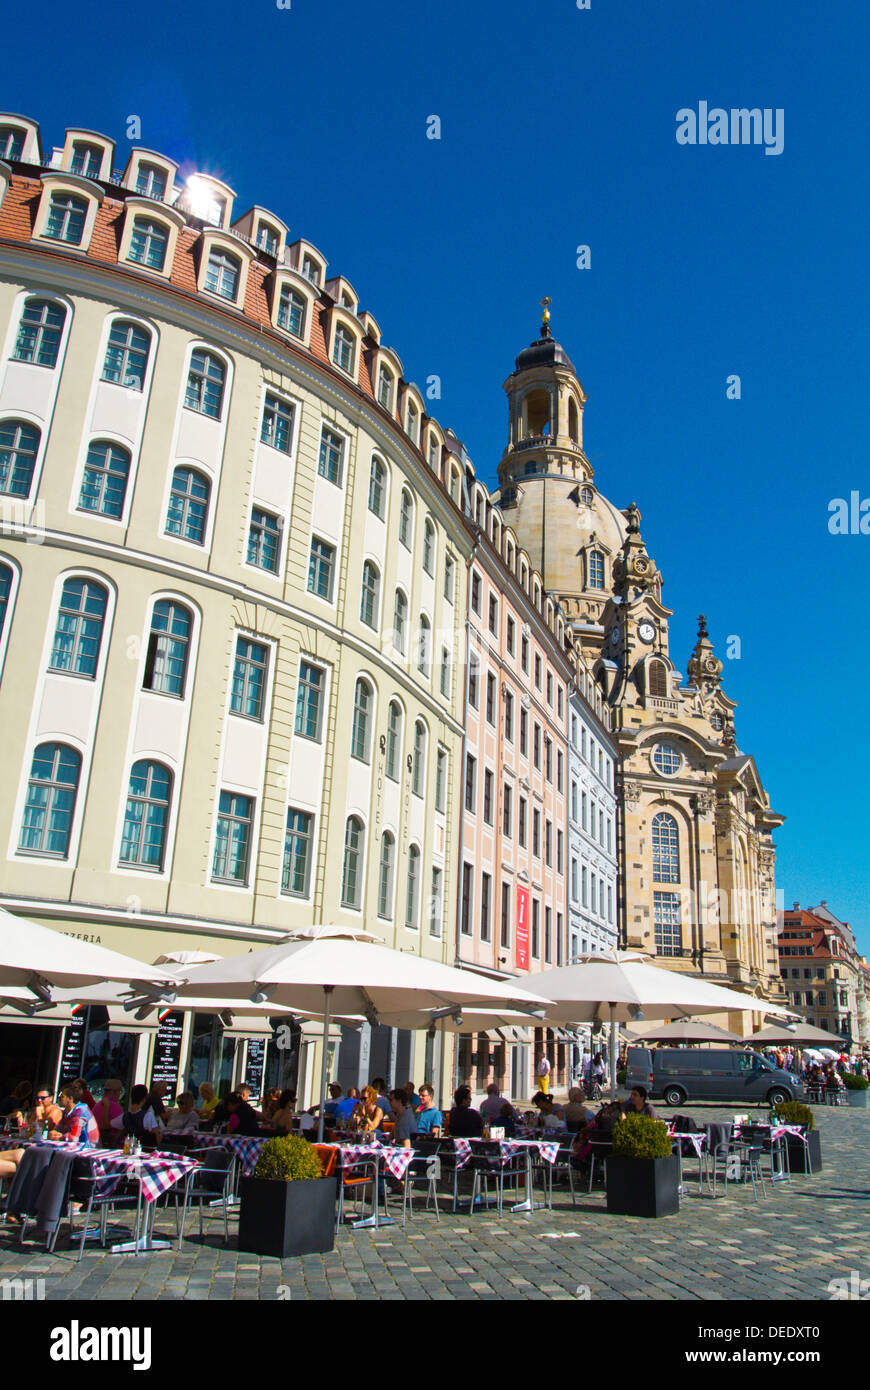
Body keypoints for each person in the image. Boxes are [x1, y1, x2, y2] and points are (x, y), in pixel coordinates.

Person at [51, 1082, 101, 1147]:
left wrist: (57, 1137)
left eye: (62, 1096)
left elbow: (73, 1138)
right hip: (73, 1148)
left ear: (70, 1099)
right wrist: (53, 1132)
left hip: (88, 1150)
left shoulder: (81, 1111)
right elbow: (59, 1129)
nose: (59, 1097)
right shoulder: (66, 1112)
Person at [123, 1084, 162, 1149]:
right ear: (144, 1098)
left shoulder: (124, 1116)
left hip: (129, 1148)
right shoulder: (148, 1116)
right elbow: (156, 1135)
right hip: (145, 1150)